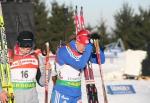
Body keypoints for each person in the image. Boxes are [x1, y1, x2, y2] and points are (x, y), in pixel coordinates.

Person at [51, 29, 105, 103]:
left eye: (86, 47)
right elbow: (79, 64)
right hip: (62, 93)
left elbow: (101, 60)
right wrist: (89, 47)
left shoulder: (84, 53)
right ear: (77, 41)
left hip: (77, 95)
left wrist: (98, 47)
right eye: (84, 45)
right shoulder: (64, 50)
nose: (84, 48)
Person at [9, 31, 49, 103]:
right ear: (18, 43)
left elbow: (42, 83)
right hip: (14, 98)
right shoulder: (10, 56)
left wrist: (47, 70)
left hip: (32, 99)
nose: (26, 47)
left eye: (29, 44)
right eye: (23, 44)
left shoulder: (37, 57)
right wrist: (1, 91)